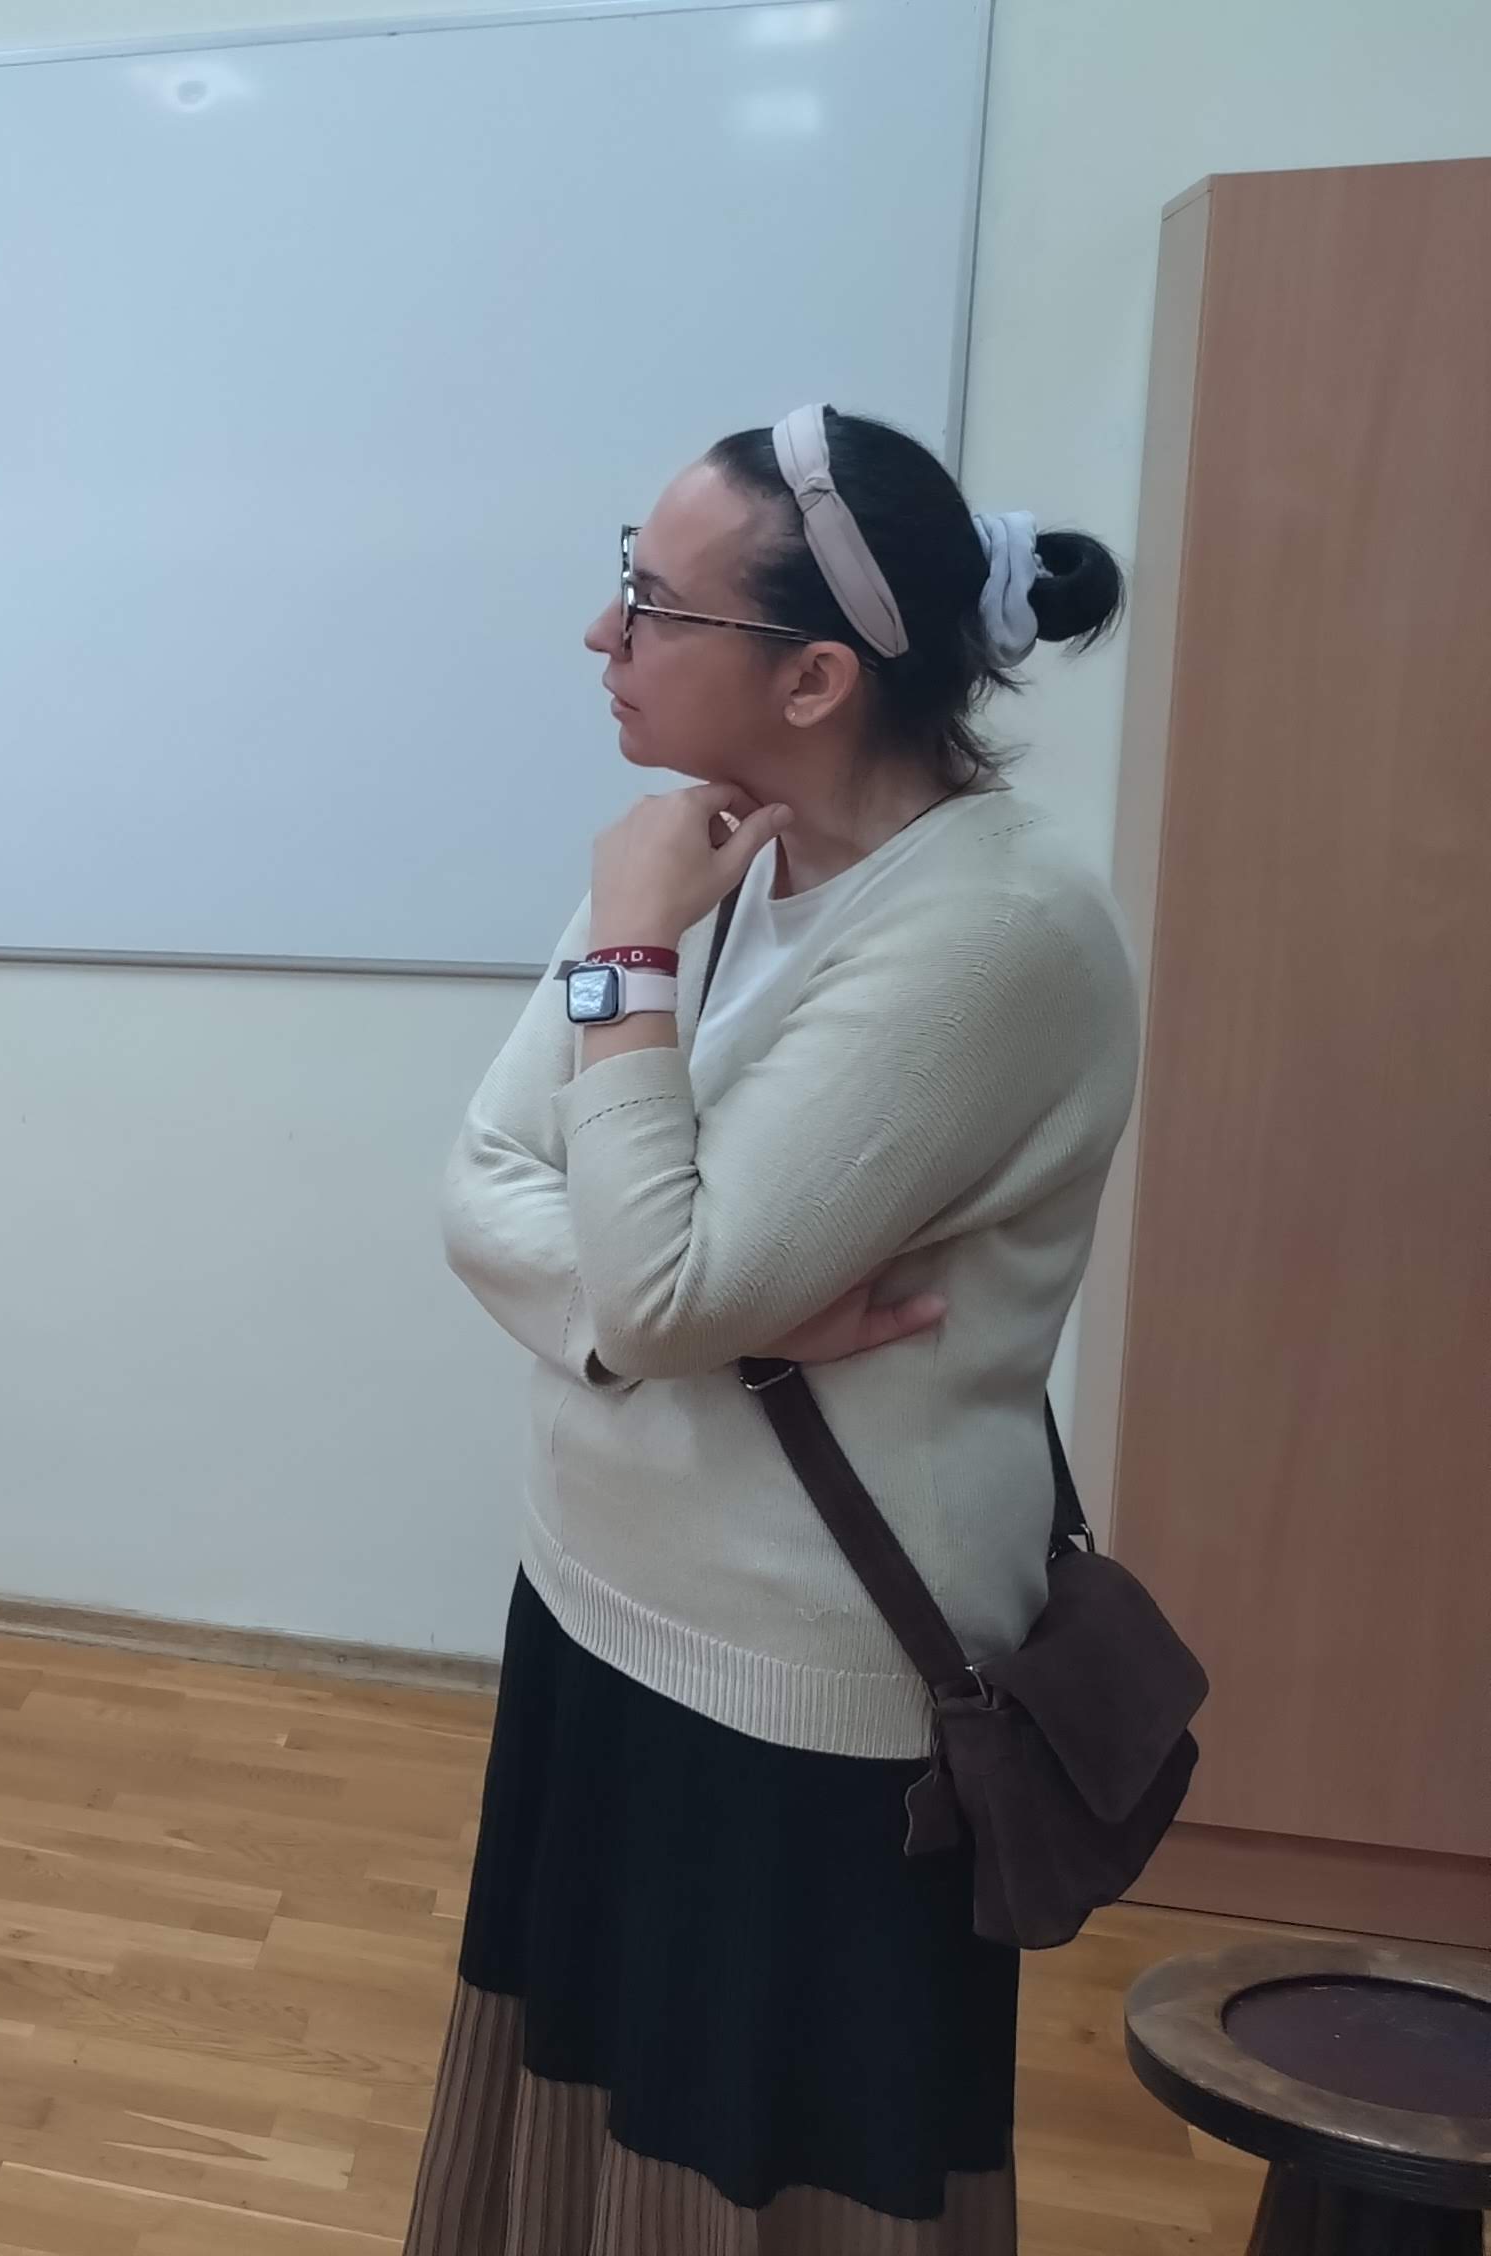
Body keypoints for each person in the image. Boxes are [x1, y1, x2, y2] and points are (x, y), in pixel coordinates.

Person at [415, 407, 1137, 2250]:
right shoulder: (696, 852)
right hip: (595, 1589)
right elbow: (487, 1184)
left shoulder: (992, 931)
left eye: (656, 604)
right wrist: (668, 1313)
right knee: (575, 2121)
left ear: (816, 678)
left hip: (807, 1693)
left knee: (764, 2179)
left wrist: (626, 974)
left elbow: (666, 1283)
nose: (603, 633)